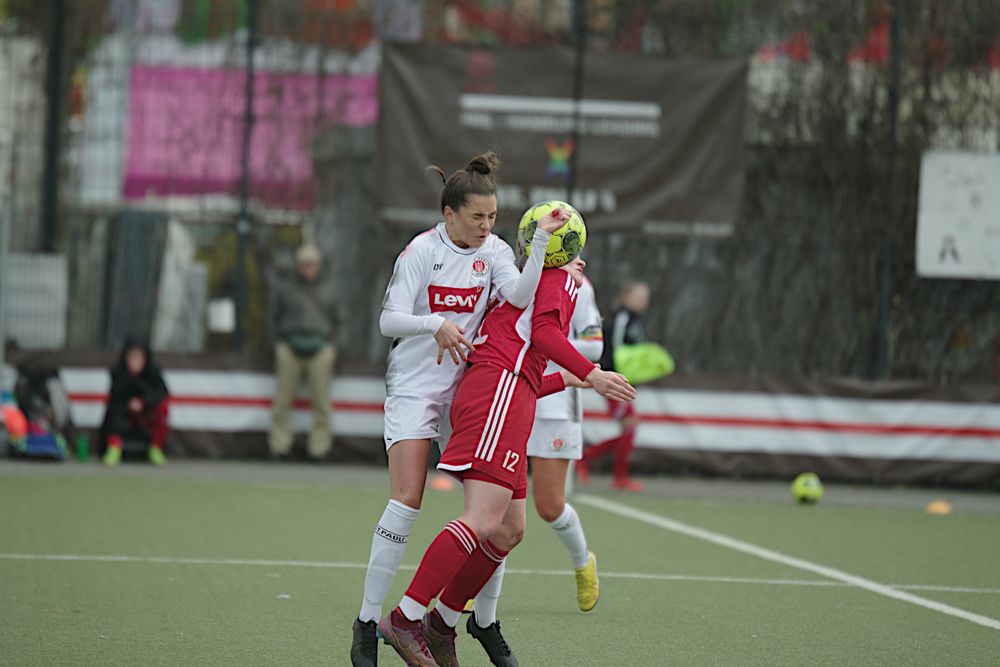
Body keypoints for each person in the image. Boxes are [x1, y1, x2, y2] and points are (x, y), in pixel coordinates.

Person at [351, 151, 567, 667]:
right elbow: (389, 321)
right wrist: (435, 323)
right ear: (449, 214)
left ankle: (478, 620)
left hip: (467, 390)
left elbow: (518, 292)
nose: (487, 227)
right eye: (477, 217)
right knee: (407, 502)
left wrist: (537, 245)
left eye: (493, 217)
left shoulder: (492, 250)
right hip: (415, 387)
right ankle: (366, 623)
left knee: (497, 517)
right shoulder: (421, 252)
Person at [378, 254, 636, 667]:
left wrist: (570, 378)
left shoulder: (542, 282)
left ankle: (442, 623)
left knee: (509, 529)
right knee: (481, 520)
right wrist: (591, 373)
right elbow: (546, 334)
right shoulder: (557, 279)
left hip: (510, 394)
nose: (581, 260)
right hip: (497, 395)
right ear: (551, 252)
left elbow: (527, 359)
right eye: (570, 246)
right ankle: (405, 617)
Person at [526, 261, 603, 612]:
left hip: (555, 405)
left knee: (549, 505)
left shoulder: (579, 286)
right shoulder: (513, 278)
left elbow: (594, 347)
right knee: (491, 506)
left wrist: (545, 337)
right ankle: (472, 587)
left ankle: (582, 562)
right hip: (510, 395)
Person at [577, 280, 650, 491]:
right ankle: (608, 471)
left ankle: (598, 464)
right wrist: (617, 376)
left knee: (630, 427)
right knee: (630, 425)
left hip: (624, 379)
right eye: (638, 296)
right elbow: (617, 350)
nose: (643, 301)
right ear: (626, 297)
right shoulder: (622, 317)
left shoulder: (636, 320)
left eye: (645, 297)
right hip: (613, 378)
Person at [268, 243, 338, 462]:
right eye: (304, 264)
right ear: (297, 266)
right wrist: (277, 343)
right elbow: (272, 317)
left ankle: (320, 449)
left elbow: (341, 321)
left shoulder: (329, 289)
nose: (308, 269)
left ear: (319, 266)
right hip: (289, 345)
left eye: (312, 265)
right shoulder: (285, 287)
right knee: (282, 399)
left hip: (320, 346)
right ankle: (279, 446)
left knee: (321, 401)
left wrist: (333, 345)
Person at [100, 338, 170, 466]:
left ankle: (156, 448)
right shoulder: (118, 371)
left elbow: (162, 393)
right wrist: (131, 378)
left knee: (163, 406)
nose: (135, 360)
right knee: (114, 406)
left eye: (139, 357)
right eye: (132, 357)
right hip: (124, 412)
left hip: (146, 413)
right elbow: (116, 392)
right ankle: (114, 447)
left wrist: (143, 402)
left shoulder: (153, 371)